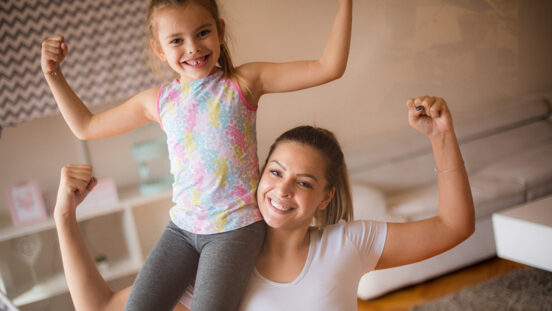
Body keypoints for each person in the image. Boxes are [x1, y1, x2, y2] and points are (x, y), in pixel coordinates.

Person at [42, 0, 353, 309]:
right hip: (181, 229)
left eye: (202, 33)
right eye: (176, 40)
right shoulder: (159, 101)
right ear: (160, 50)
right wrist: (53, 74)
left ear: (220, 31)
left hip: (234, 229)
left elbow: (329, 67)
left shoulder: (243, 83)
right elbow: (86, 126)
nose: (192, 47)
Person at [53, 95, 474, 310]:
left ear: (326, 196)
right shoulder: (218, 263)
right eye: (275, 172)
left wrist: (441, 137)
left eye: (303, 182)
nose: (283, 189)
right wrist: (65, 218)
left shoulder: (349, 243)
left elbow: (454, 226)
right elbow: (102, 307)